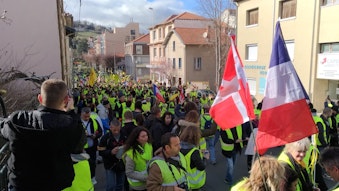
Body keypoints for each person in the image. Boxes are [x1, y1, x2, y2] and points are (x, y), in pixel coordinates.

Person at [0, 79, 85, 191]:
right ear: (66, 100)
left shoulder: (19, 119)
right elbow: (78, 147)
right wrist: (70, 111)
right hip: (53, 185)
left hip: (21, 185)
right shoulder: (71, 125)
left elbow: (2, 127)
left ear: (40, 98)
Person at [98, 119, 127, 191]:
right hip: (110, 164)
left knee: (120, 185)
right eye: (114, 130)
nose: (116, 132)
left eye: (118, 130)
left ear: (120, 127)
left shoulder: (125, 136)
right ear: (110, 128)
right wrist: (110, 152)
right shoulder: (105, 138)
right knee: (111, 185)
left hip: (121, 164)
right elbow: (100, 152)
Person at [123, 127, 153, 191]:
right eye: (143, 136)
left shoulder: (148, 146)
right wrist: (147, 178)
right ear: (137, 139)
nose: (146, 138)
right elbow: (129, 173)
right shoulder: (131, 154)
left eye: (146, 135)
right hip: (138, 186)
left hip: (149, 183)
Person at [80, 107, 103, 185]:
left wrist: (95, 136)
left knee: (92, 163)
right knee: (83, 165)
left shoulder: (94, 121)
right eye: (85, 116)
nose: (87, 118)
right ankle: (85, 178)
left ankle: (92, 177)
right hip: (82, 148)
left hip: (92, 147)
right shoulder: (77, 123)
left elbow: (100, 131)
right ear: (81, 114)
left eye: (88, 116)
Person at [180, 126, 207, 191]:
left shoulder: (178, 147)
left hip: (183, 180)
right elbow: (201, 167)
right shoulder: (194, 152)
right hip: (194, 182)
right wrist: (204, 159)